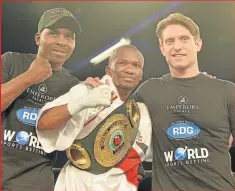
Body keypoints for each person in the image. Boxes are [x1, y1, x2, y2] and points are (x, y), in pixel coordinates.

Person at [134, 13, 235, 190]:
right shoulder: (148, 91)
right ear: (162, 48)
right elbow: (122, 133)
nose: (177, 47)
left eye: (184, 39)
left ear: (198, 44)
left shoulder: (226, 91)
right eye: (170, 41)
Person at [36, 45, 152, 191]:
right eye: (122, 63)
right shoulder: (89, 90)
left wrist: (136, 166)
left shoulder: (142, 113)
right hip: (79, 185)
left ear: (141, 74)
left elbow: (149, 152)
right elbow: (44, 123)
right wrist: (81, 103)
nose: (129, 70)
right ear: (108, 70)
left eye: (136, 65)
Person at [1, 8, 82, 190]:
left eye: (69, 36)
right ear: (38, 38)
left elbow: (77, 140)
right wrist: (29, 76)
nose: (62, 41)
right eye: (54, 33)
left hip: (37, 183)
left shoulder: (74, 86)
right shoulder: (11, 61)